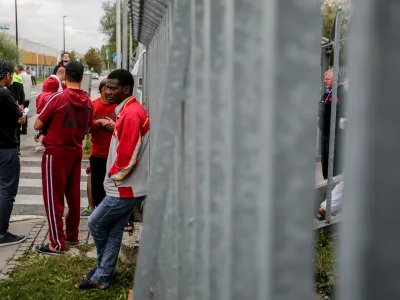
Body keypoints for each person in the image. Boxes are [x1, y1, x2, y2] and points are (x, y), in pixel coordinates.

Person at [77, 69, 150, 290]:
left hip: (125, 188)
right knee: (114, 230)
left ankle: (103, 270)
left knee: (95, 223)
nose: (108, 91)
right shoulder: (129, 110)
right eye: (106, 86)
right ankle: (104, 274)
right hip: (129, 186)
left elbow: (127, 158)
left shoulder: (130, 114)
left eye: (113, 87)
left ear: (126, 89)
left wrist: (112, 179)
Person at [34, 61, 93, 255]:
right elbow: (87, 129)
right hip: (75, 151)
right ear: (82, 78)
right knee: (73, 196)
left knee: (53, 198)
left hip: (56, 152)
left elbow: (37, 124)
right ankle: (72, 235)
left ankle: (56, 243)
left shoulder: (58, 97)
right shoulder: (88, 101)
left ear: (64, 76)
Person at [81, 79, 117, 217]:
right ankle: (96, 211)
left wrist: (115, 125)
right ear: (103, 90)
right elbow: (86, 129)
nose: (112, 92)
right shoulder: (93, 105)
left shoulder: (118, 106)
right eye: (110, 89)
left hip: (114, 153)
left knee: (113, 187)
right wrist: (99, 122)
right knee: (98, 187)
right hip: (97, 154)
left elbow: (125, 126)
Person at [0, 60, 26, 246]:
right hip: (5, 147)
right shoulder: (4, 93)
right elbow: (18, 117)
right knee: (7, 190)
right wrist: (22, 117)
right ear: (8, 75)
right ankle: (1, 234)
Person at [318, 69, 346, 180]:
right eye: (325, 79)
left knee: (334, 168)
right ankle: (327, 192)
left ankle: (333, 193)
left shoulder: (341, 93)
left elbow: (336, 112)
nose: (325, 81)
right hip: (325, 135)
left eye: (327, 79)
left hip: (335, 136)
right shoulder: (327, 92)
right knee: (325, 166)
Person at [34, 67, 66, 152]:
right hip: (48, 107)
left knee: (44, 128)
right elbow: (60, 95)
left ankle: (40, 142)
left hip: (42, 105)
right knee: (47, 129)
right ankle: (40, 143)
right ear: (63, 74)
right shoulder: (56, 82)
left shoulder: (48, 80)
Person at [8, 72, 26, 154]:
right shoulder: (19, 79)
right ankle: (17, 147)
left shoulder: (8, 84)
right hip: (18, 107)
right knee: (17, 129)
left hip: (13, 108)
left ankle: (16, 147)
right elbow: (22, 93)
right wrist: (22, 104)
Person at [15, 65, 32, 135]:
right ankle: (24, 129)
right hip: (28, 97)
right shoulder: (28, 75)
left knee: (20, 113)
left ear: (18, 69)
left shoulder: (20, 76)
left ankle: (19, 129)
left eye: (16, 71)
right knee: (25, 113)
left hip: (23, 97)